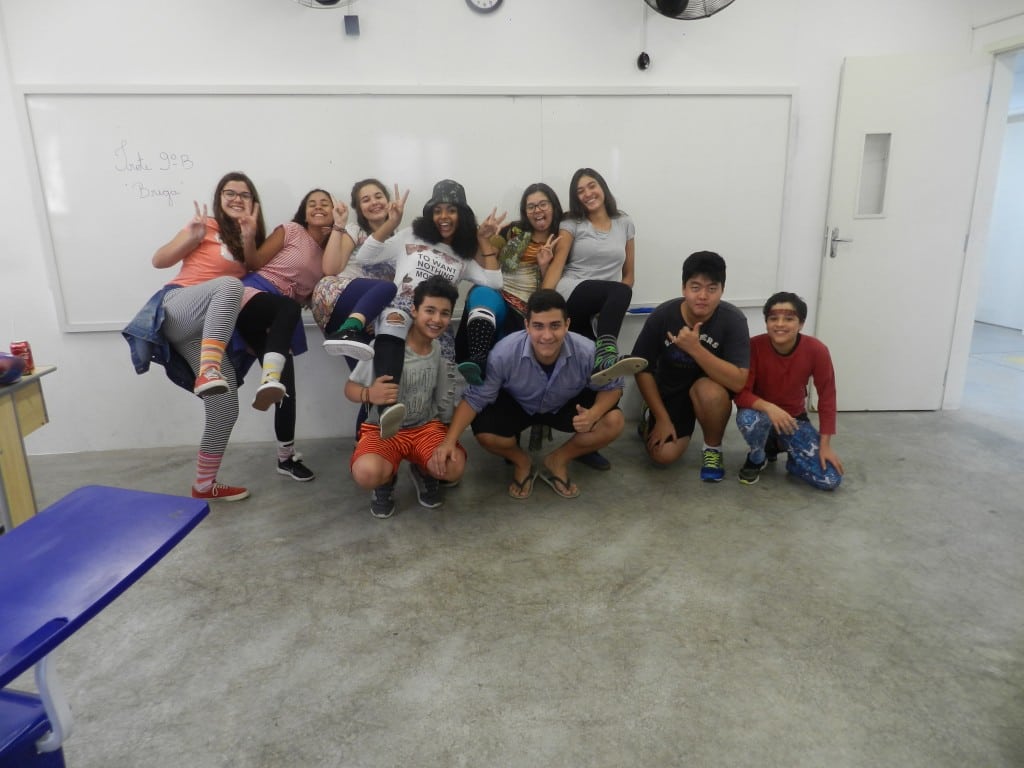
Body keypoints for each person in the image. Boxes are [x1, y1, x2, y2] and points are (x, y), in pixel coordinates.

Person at [124, 171, 264, 501]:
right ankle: (209, 369)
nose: (236, 199)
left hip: (202, 332)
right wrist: (191, 237)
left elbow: (256, 269)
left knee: (225, 406)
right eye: (230, 193)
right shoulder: (206, 226)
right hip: (176, 307)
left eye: (244, 194)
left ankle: (203, 485)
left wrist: (249, 237)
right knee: (230, 285)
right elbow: (159, 260)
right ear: (219, 198)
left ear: (253, 202)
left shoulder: (250, 236)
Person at [430, 289, 626, 501]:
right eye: (538, 326)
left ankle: (558, 460)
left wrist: (594, 414)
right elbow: (474, 399)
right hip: (519, 405)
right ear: (527, 325)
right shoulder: (503, 353)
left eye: (555, 325)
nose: (547, 336)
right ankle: (522, 462)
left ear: (567, 324)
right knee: (485, 430)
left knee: (613, 421)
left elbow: (613, 386)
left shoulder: (587, 351)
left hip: (564, 405)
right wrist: (449, 442)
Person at [352, 178, 504, 438]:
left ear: (462, 215)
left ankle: (439, 437)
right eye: (437, 210)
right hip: (401, 310)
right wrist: (391, 222)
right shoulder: (411, 234)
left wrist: (483, 241)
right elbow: (365, 257)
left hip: (435, 321)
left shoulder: (462, 256)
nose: (443, 217)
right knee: (392, 327)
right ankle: (383, 415)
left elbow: (495, 282)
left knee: (444, 373)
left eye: (451, 210)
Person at [233, 187, 347, 482]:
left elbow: (318, 294)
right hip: (253, 297)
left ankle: (285, 458)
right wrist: (248, 237)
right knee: (287, 307)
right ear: (304, 212)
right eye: (312, 203)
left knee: (285, 390)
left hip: (280, 319)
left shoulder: (330, 255)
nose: (318, 207)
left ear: (335, 211)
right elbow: (255, 262)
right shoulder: (292, 230)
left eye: (325, 203)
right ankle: (269, 376)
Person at [540, 167, 647, 471]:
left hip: (601, 304)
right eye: (580, 191)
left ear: (602, 187)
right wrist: (542, 302)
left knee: (595, 378)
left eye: (592, 186)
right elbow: (558, 264)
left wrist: (609, 304)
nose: (587, 193)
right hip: (572, 292)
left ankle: (587, 444)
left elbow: (628, 276)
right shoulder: (571, 223)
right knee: (617, 295)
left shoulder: (624, 223)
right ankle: (607, 352)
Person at [344, 276, 466, 518]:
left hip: (424, 427)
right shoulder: (386, 347)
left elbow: (442, 398)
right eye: (429, 310)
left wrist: (445, 439)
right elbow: (349, 389)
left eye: (444, 313)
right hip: (383, 430)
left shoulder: (438, 349)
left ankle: (422, 470)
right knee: (367, 473)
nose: (437, 319)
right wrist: (369, 393)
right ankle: (385, 480)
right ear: (414, 310)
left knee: (453, 467)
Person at [630, 250, 750, 482]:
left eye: (712, 288)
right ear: (684, 288)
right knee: (663, 455)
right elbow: (641, 367)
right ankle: (649, 416)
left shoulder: (733, 320)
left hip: (709, 392)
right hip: (671, 391)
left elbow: (738, 381)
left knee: (708, 391)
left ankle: (712, 449)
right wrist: (661, 418)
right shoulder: (663, 316)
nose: (703, 296)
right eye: (695, 287)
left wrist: (695, 348)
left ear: (722, 290)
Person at [454, 182, 568, 385]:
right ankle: (478, 360)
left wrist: (544, 266)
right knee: (482, 292)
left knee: (507, 364)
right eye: (531, 206)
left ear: (553, 206)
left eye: (543, 204)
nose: (537, 210)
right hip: (498, 296)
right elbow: (484, 264)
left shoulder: (564, 238)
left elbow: (554, 291)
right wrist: (483, 239)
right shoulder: (511, 231)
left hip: (528, 308)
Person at [733, 292, 844, 490]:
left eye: (789, 319)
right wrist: (770, 408)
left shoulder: (817, 350)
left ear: (801, 324)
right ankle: (758, 456)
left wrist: (825, 444)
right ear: (766, 322)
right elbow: (740, 394)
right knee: (747, 419)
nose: (780, 324)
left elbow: (827, 396)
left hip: (794, 421)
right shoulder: (753, 346)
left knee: (830, 479)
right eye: (773, 318)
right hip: (762, 416)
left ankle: (791, 460)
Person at [312, 179, 400, 360]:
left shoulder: (399, 241)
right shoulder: (356, 230)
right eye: (366, 200)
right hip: (335, 295)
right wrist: (339, 224)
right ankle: (350, 328)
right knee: (387, 287)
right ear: (359, 209)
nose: (374, 202)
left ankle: (349, 330)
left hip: (363, 315)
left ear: (388, 200)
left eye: (378, 196)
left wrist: (374, 312)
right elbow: (330, 269)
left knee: (369, 370)